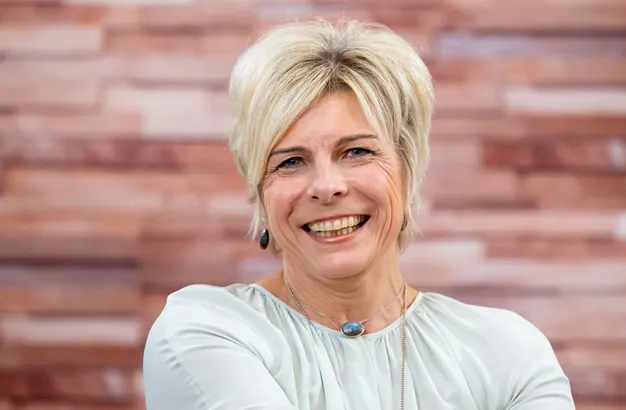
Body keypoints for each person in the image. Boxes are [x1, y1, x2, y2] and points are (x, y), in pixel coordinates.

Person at [142, 18, 575, 410]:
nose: (326, 185)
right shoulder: (205, 330)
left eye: (356, 152)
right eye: (290, 161)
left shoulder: (507, 352)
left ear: (407, 168)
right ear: (260, 190)